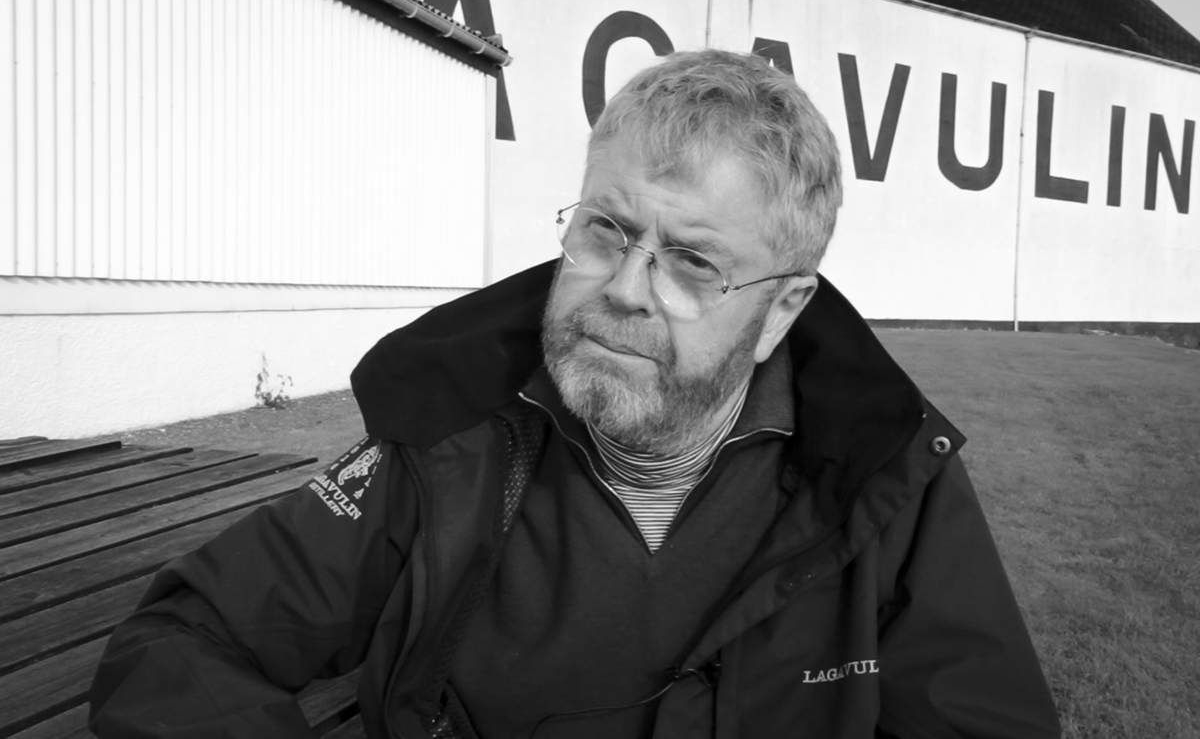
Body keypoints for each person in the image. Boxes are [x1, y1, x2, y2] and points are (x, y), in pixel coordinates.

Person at [89, 49, 1061, 739]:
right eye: (606, 230)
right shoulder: (448, 445)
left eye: (690, 261)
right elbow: (184, 640)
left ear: (781, 310)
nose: (626, 287)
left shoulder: (889, 489)